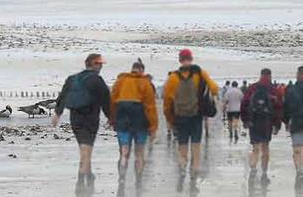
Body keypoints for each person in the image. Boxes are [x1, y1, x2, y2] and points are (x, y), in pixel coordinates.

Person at [51, 52, 112, 189]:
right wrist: (111, 118)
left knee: (84, 148)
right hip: (90, 119)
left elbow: (63, 96)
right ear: (91, 64)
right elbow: (106, 101)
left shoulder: (73, 78)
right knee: (86, 148)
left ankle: (88, 173)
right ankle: (81, 179)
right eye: (98, 63)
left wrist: (57, 113)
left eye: (101, 64)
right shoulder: (97, 80)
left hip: (75, 119)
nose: (101, 66)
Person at [162, 49, 219, 189]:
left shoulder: (173, 78)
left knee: (182, 146)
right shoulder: (199, 73)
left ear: (180, 60)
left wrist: (170, 119)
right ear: (191, 59)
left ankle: (182, 166)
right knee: (196, 146)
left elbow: (167, 101)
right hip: (196, 116)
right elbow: (215, 89)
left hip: (180, 117)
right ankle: (194, 173)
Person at [109, 58, 158, 186]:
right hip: (139, 118)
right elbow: (150, 107)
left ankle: (122, 176)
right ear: (142, 70)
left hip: (122, 116)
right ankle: (139, 180)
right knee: (139, 152)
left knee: (124, 150)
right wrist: (153, 127)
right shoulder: (145, 83)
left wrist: (113, 120)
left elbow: (112, 101)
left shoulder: (120, 81)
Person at [241, 69, 284, 185]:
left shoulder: (252, 88)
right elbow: (278, 108)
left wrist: (245, 120)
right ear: (270, 76)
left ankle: (253, 167)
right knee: (265, 147)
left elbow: (244, 104)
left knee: (255, 147)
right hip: (267, 123)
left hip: (253, 122)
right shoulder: (273, 90)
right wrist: (277, 125)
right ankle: (264, 172)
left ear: (260, 75)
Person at [286, 68, 303, 189]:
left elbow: (286, 107)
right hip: (296, 121)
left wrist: (286, 121)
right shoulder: (292, 89)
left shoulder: (292, 89)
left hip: (296, 122)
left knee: (297, 148)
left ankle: (299, 170)